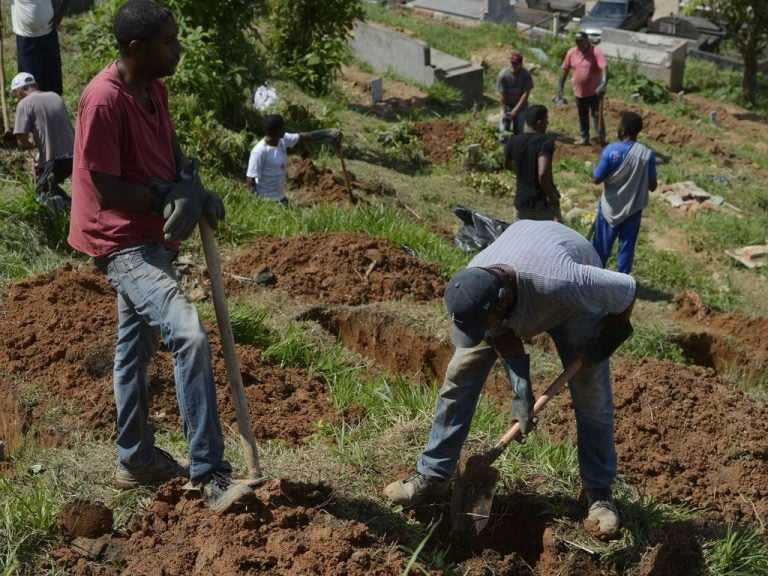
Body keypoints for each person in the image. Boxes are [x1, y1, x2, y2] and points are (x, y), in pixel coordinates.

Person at [68, 0, 255, 514]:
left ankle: (134, 458)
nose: (178, 47)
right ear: (137, 48)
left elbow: (169, 151)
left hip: (155, 237)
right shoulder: (103, 101)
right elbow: (104, 188)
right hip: (121, 241)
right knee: (189, 333)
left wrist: (191, 184)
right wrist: (163, 198)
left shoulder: (155, 89)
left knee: (133, 351)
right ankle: (211, 473)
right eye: (169, 41)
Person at [384, 219, 637, 539]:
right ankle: (432, 475)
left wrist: (610, 335)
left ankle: (599, 493)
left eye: (484, 322)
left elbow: (627, 288)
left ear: (502, 301)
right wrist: (522, 392)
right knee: (459, 375)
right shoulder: (477, 282)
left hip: (567, 289)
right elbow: (496, 330)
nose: (480, 331)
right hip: (519, 270)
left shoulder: (568, 283)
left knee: (592, 394)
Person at [592, 111, 657, 274]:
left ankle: (594, 278)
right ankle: (621, 284)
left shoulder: (611, 150)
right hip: (632, 210)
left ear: (623, 130)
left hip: (610, 209)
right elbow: (653, 186)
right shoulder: (646, 155)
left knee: (601, 247)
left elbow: (597, 179)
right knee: (626, 250)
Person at [11, 72, 74, 211]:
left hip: (56, 159)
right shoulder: (55, 96)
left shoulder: (24, 104)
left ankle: (74, 211)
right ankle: (69, 211)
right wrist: (40, 162)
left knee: (42, 191)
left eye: (16, 94)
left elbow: (22, 140)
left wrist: (28, 145)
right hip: (75, 155)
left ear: (19, 90)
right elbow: (52, 132)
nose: (17, 96)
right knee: (47, 182)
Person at [246, 114, 340, 203]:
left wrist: (328, 133)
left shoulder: (282, 140)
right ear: (278, 130)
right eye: (283, 127)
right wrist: (257, 203)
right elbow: (250, 180)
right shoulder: (259, 151)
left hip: (280, 197)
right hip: (265, 199)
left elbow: (307, 136)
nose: (285, 129)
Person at [503, 105, 561, 221]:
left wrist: (521, 171)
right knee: (552, 238)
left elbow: (506, 164)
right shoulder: (545, 142)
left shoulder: (513, 140)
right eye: (546, 120)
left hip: (521, 204)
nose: (547, 123)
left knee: (523, 238)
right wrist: (551, 196)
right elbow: (542, 173)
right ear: (539, 122)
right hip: (542, 205)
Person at [6, 0, 69, 95]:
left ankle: (53, 107)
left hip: (48, 35)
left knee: (53, 82)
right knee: (29, 85)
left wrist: (60, 14)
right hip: (26, 40)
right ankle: (32, 108)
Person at [557, 32, 608, 146]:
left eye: (581, 41)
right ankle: (584, 137)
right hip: (579, 91)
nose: (579, 44)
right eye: (577, 42)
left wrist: (603, 83)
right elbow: (565, 69)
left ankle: (601, 137)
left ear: (587, 41)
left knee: (596, 114)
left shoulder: (596, 52)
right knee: (582, 114)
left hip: (595, 91)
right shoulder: (572, 52)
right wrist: (560, 85)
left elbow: (604, 67)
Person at [496, 51, 533, 141]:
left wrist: (516, 109)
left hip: (521, 107)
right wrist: (504, 111)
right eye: (512, 63)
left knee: (519, 133)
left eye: (516, 64)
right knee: (503, 133)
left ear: (520, 64)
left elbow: (525, 93)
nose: (514, 66)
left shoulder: (525, 75)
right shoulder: (503, 75)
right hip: (507, 106)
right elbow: (502, 94)